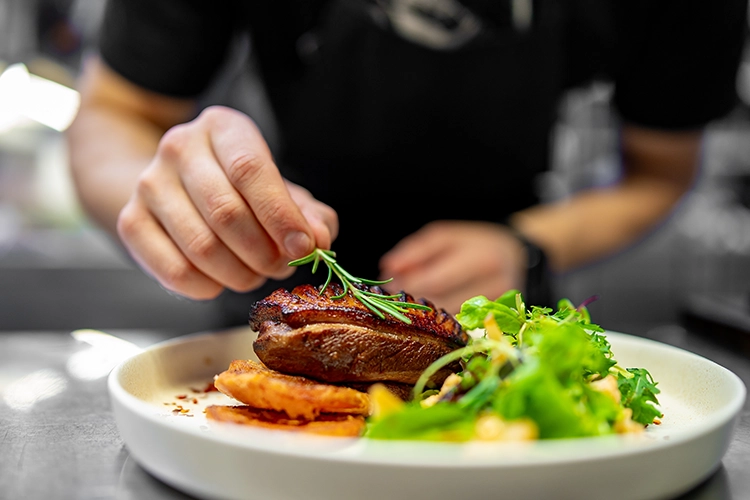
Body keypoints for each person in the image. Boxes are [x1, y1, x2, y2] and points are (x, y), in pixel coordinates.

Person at [66, 0, 747, 322]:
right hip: (276, 288)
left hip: (501, 309)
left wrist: (529, 245)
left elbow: (660, 171)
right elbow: (117, 113)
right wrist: (177, 201)